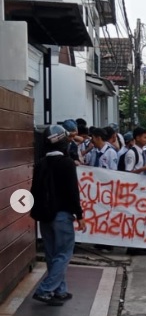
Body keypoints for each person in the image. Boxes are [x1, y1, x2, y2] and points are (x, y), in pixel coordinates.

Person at [30, 125, 87, 306]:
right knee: (63, 254)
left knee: (52, 254)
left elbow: (34, 191)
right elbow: (72, 192)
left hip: (44, 216)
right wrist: (79, 215)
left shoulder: (40, 164)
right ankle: (45, 290)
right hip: (62, 216)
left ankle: (59, 291)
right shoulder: (67, 163)